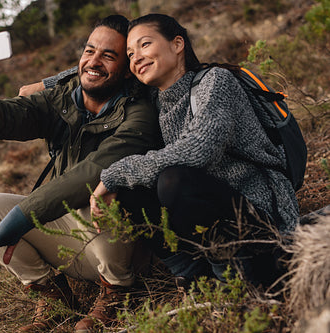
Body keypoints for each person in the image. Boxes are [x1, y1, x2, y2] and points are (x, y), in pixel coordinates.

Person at [0, 15, 162, 332]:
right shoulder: (64, 96)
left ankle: (117, 294)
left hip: (121, 245)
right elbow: (10, 117)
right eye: (90, 51)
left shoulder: (139, 113)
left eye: (108, 55)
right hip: (71, 234)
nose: (94, 61)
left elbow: (90, 173)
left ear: (128, 66)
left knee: (103, 202)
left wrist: (21, 217)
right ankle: (55, 301)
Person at [88, 13, 300, 287]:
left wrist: (113, 174)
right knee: (131, 188)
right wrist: (44, 85)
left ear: (177, 44)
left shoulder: (215, 82)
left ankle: (234, 275)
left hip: (257, 216)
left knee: (172, 179)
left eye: (145, 45)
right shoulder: (155, 100)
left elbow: (197, 152)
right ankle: (190, 272)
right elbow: (97, 71)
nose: (136, 57)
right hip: (209, 216)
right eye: (129, 53)